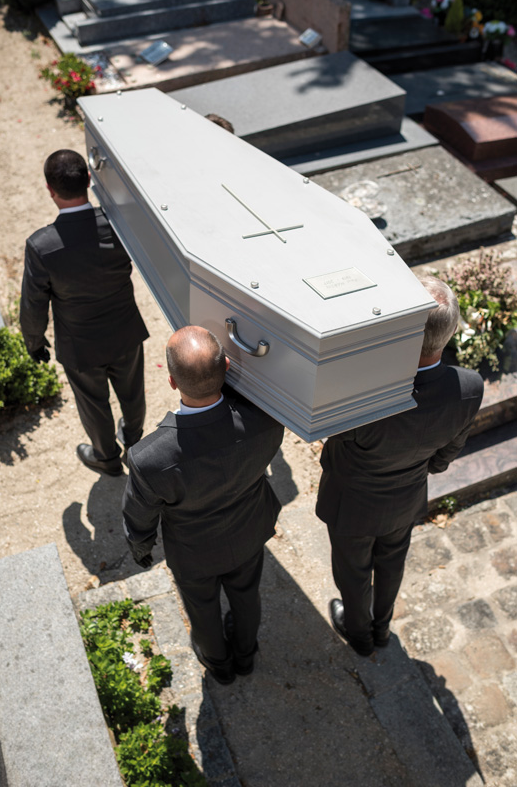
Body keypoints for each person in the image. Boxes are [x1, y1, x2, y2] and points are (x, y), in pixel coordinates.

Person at [316, 276, 484, 657]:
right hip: (406, 497)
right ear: (452, 332)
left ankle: (359, 634)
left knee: (353, 573)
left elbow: (333, 434)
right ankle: (382, 627)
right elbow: (446, 455)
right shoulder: (469, 387)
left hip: (352, 503)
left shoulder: (364, 392)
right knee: (392, 563)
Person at [122, 326, 283, 684]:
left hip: (193, 553)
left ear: (172, 382)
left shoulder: (149, 459)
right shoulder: (267, 421)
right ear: (226, 366)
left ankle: (219, 665)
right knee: (246, 596)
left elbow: (139, 515)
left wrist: (140, 546)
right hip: (247, 532)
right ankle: (245, 655)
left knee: (202, 609)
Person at [20, 149, 149, 477]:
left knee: (93, 405)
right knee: (133, 392)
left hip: (80, 344)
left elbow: (34, 303)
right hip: (126, 330)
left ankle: (106, 459)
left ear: (50, 190)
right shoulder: (118, 225)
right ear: (89, 180)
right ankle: (134, 441)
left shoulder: (42, 246)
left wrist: (34, 342)